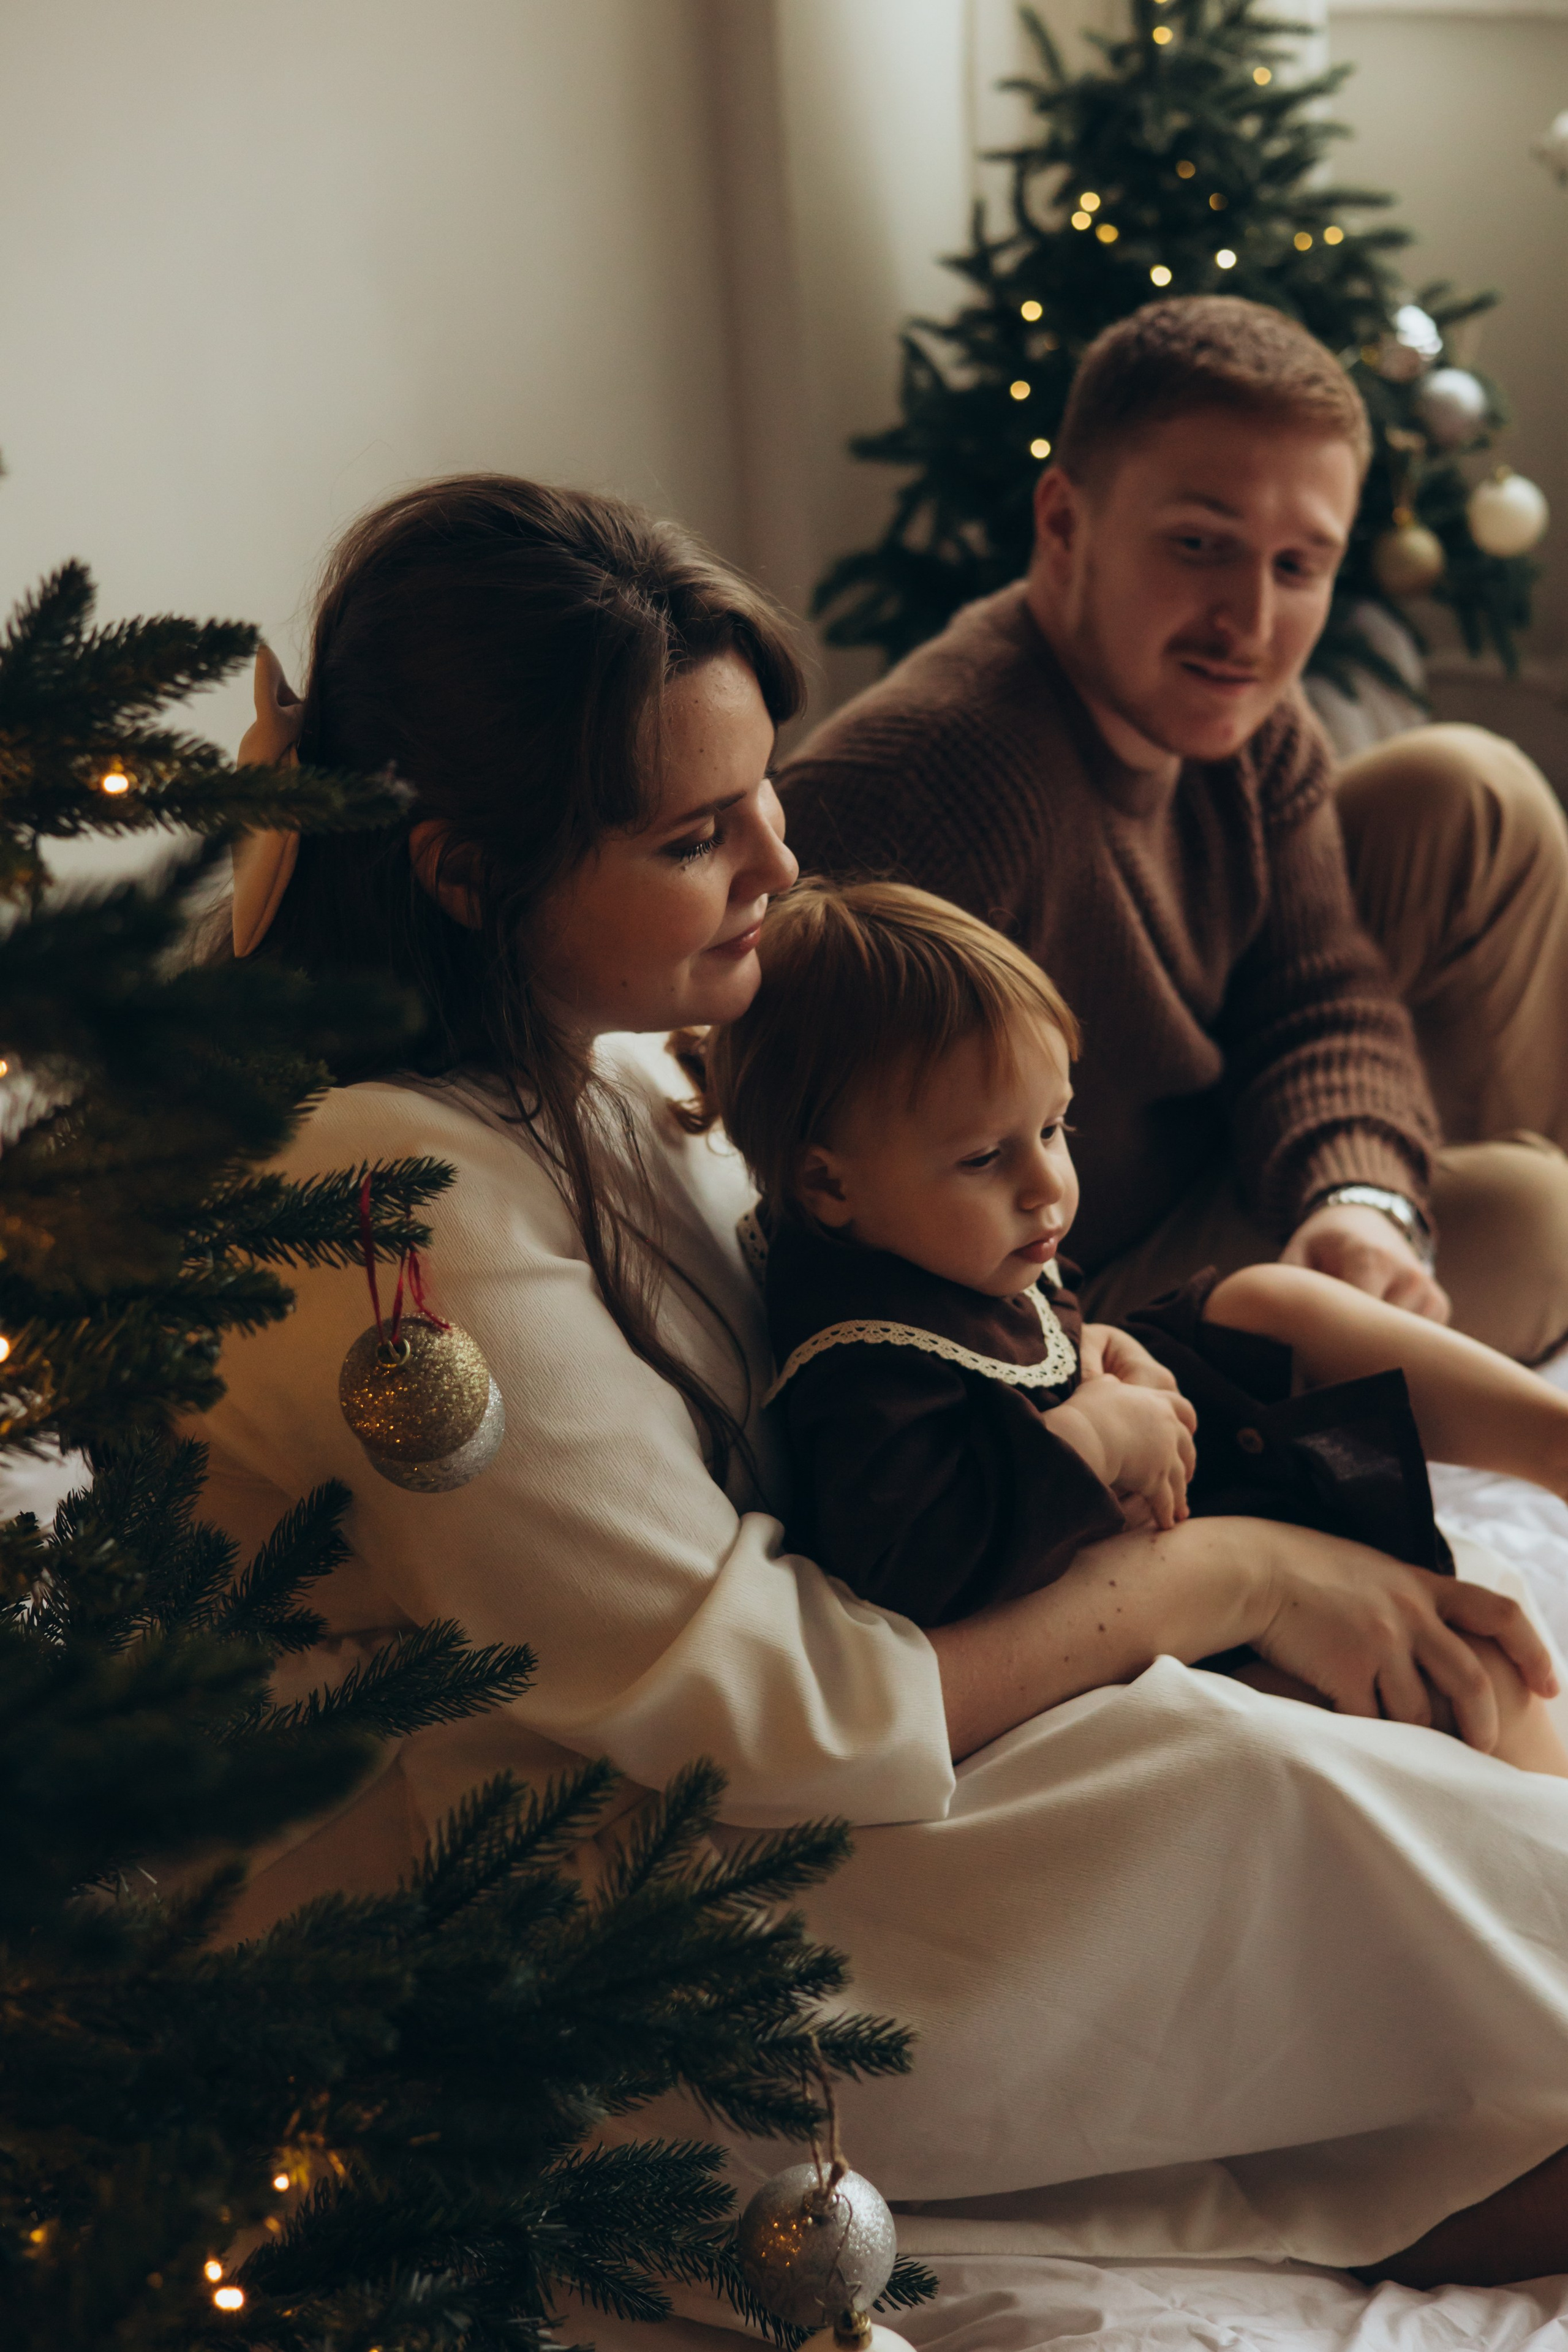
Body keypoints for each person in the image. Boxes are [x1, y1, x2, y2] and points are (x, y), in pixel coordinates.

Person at [201, 474, 1568, 2296]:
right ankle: (1451, 2153)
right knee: (1220, 1773)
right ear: (464, 872)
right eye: (698, 833)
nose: (779, 859)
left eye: (764, 790)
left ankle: (1469, 2107)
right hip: (546, 1899)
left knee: (1237, 1718)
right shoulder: (396, 1223)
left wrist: (1071, 1386)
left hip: (721, 1734)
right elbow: (761, 1716)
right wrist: (1225, 1578)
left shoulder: (593, 1062)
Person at [778, 296, 1568, 1366]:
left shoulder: (1252, 723)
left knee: (1470, 789)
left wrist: (1361, 1198)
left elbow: (1319, 994)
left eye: (1300, 567)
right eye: (1201, 545)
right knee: (1538, 1223)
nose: (1250, 623)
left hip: (1218, 1142)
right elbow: (827, 1209)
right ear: (1063, 522)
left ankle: (1421, 1223)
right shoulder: (931, 784)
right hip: (1074, 1287)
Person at [703, 875, 1568, 1779]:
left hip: (1139, 1503)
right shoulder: (859, 1361)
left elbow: (1037, 1324)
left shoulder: (933, 1242)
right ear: (829, 1186)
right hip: (1083, 1636)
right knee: (1470, 1686)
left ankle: (1555, 1447)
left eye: (1054, 1126)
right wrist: (1090, 1435)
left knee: (1266, 1302)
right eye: (985, 1157)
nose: (1048, 1186)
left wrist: (1098, 1351)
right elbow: (911, 1568)